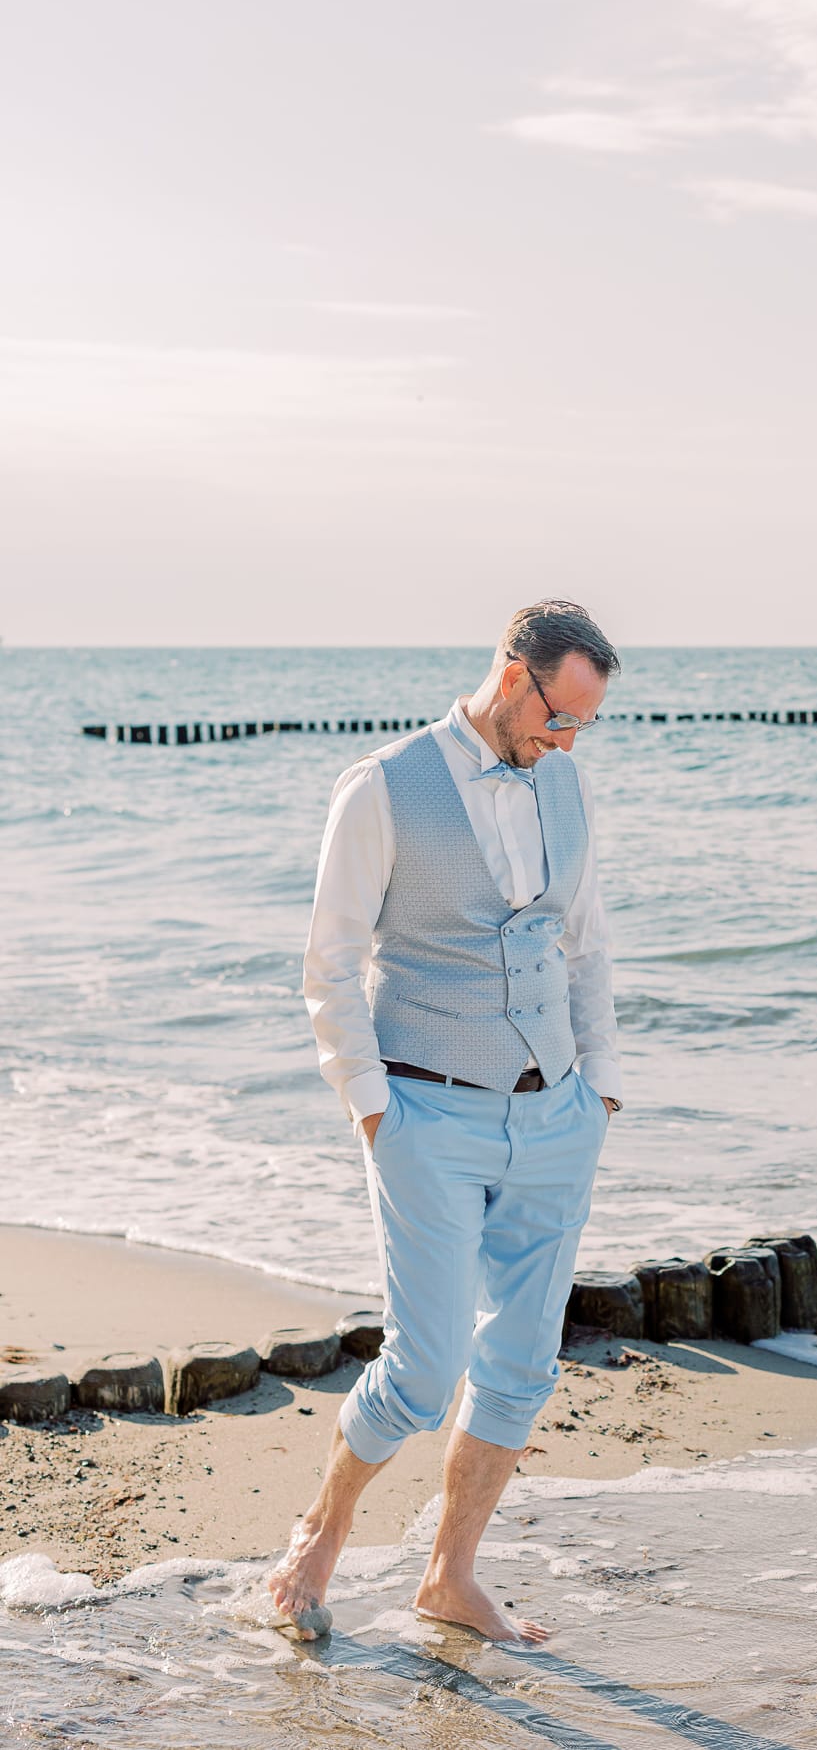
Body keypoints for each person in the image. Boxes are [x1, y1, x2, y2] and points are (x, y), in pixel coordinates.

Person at [268, 599, 623, 1644]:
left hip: (555, 1114)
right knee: (422, 1367)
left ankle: (450, 1578)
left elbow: (587, 945)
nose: (566, 742)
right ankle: (322, 1536)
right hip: (427, 1112)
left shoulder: (566, 781)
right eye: (560, 717)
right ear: (515, 674)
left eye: (584, 728)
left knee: (521, 1362)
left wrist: (599, 1088)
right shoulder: (383, 787)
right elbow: (328, 966)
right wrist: (375, 1110)